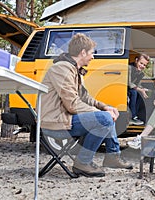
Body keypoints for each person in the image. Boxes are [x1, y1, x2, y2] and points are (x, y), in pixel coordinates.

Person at [41, 33, 133, 177]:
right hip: (55, 122)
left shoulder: (75, 71)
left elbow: (86, 98)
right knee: (104, 119)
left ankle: (112, 156)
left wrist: (105, 107)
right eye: (91, 53)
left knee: (106, 115)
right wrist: (102, 114)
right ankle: (83, 163)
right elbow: (72, 104)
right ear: (82, 52)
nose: (93, 57)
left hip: (66, 119)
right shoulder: (61, 69)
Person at [128, 53, 150, 125]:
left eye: (144, 65)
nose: (142, 66)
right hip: (124, 87)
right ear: (136, 60)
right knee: (134, 92)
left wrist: (142, 89)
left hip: (131, 88)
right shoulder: (129, 68)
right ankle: (132, 116)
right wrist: (140, 90)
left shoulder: (141, 73)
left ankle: (137, 116)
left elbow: (137, 84)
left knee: (140, 94)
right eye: (141, 63)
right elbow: (128, 83)